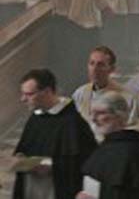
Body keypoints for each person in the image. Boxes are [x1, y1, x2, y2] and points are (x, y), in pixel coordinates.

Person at [12, 69, 96, 199]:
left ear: (47, 92)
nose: (23, 99)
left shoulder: (73, 123)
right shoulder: (35, 118)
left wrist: (50, 167)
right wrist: (19, 158)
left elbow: (85, 164)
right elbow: (23, 149)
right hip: (31, 189)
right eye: (23, 94)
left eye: (29, 94)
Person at [76, 92, 139, 199]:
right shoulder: (103, 147)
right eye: (92, 114)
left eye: (100, 113)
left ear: (119, 116)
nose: (94, 119)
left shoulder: (132, 151)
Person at [72, 47, 139, 140]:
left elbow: (135, 129)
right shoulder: (80, 94)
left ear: (111, 69)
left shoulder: (126, 97)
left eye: (101, 64)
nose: (95, 69)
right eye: (92, 63)